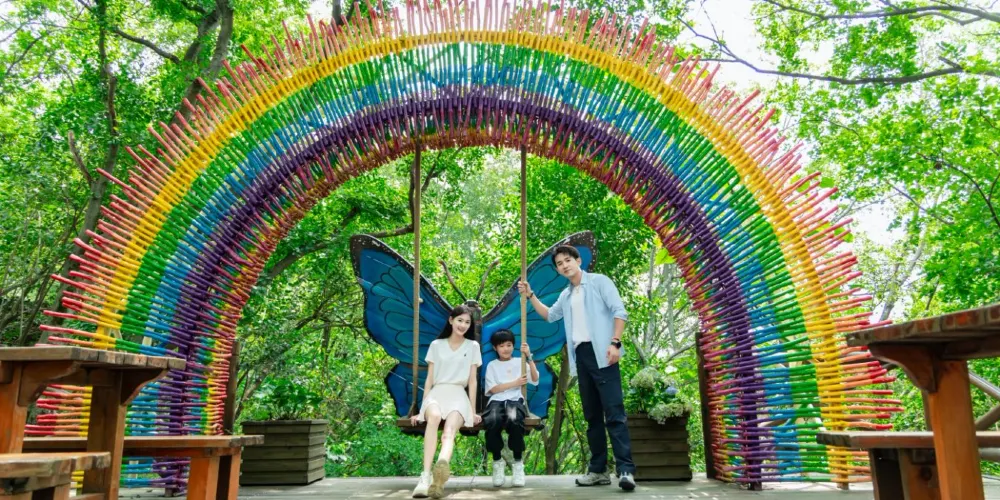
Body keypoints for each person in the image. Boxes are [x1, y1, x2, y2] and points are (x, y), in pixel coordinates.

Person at [517, 245, 636, 491]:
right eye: (559, 264)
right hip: (581, 356)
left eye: (567, 260)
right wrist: (530, 295)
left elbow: (619, 312)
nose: (564, 265)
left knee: (614, 412)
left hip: (604, 353)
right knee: (592, 415)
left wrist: (615, 343)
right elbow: (550, 316)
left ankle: (625, 470)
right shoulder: (566, 295)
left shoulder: (600, 282)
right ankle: (598, 470)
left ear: (578, 260)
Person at [411, 305, 483, 498]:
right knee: (433, 417)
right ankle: (425, 476)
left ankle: (441, 468)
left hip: (458, 394)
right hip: (437, 393)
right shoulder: (436, 345)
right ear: (451, 320)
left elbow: (472, 381)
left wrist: (472, 410)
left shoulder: (472, 346)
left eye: (467, 322)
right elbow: (429, 379)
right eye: (460, 320)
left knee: (449, 431)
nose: (463, 325)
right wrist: (421, 410)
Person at [482, 329, 539, 488]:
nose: (506, 349)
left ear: (513, 346)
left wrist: (529, 357)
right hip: (496, 401)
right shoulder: (492, 365)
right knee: (492, 421)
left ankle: (518, 463)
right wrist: (515, 383)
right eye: (501, 346)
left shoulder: (520, 362)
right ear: (495, 348)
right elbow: (493, 389)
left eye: (509, 345)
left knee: (514, 420)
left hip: (514, 400)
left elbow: (535, 379)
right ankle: (497, 462)